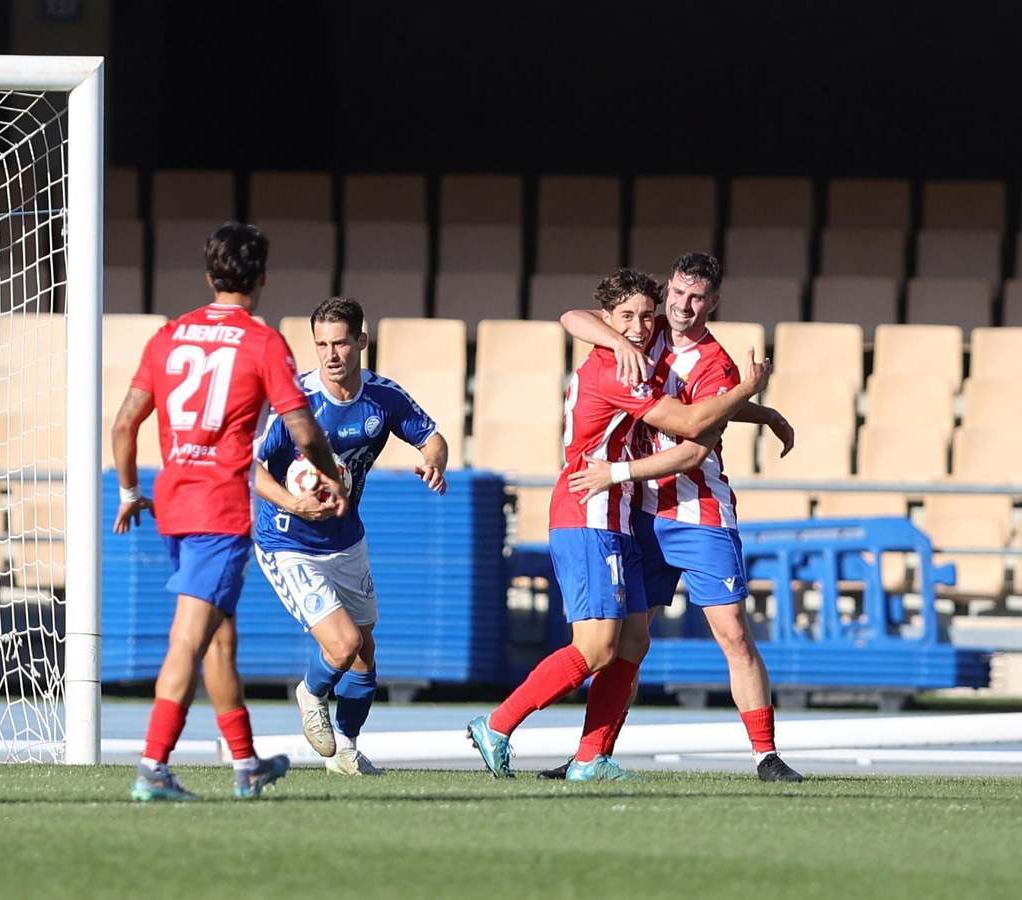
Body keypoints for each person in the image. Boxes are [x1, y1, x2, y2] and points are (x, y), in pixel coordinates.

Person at [467, 269, 771, 780]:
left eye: (645, 316)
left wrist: (763, 413)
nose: (638, 326)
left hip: (619, 516)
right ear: (607, 320)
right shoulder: (616, 369)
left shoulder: (631, 357)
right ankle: (497, 724)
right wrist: (750, 387)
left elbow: (691, 404)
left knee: (632, 642)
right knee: (597, 647)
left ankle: (592, 760)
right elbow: (690, 425)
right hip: (590, 512)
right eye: (625, 317)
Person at [113, 222, 348, 801]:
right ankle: (152, 767)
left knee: (220, 639)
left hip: (172, 500)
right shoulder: (263, 342)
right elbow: (300, 426)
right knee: (188, 640)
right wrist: (330, 472)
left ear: (209, 274)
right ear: (262, 278)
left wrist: (127, 491)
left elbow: (124, 424)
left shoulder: (170, 335)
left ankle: (244, 762)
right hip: (219, 507)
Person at [549, 252, 804, 783]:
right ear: (668, 289)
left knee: (732, 631)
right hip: (641, 514)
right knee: (628, 643)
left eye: (696, 298)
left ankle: (765, 755)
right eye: (678, 293)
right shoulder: (645, 330)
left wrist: (750, 401)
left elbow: (695, 445)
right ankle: (590, 755)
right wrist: (616, 340)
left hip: (699, 511)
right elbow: (573, 318)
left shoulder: (718, 364)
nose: (682, 306)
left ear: (713, 302)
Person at [252, 297, 446, 776]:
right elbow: (249, 467)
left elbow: (432, 437)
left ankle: (345, 751)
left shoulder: (383, 398)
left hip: (347, 542)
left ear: (362, 340)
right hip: (287, 541)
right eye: (321, 344)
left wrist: (434, 462)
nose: (331, 354)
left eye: (340, 342)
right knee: (339, 646)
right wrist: (293, 501)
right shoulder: (295, 403)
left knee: (363, 652)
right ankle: (310, 693)